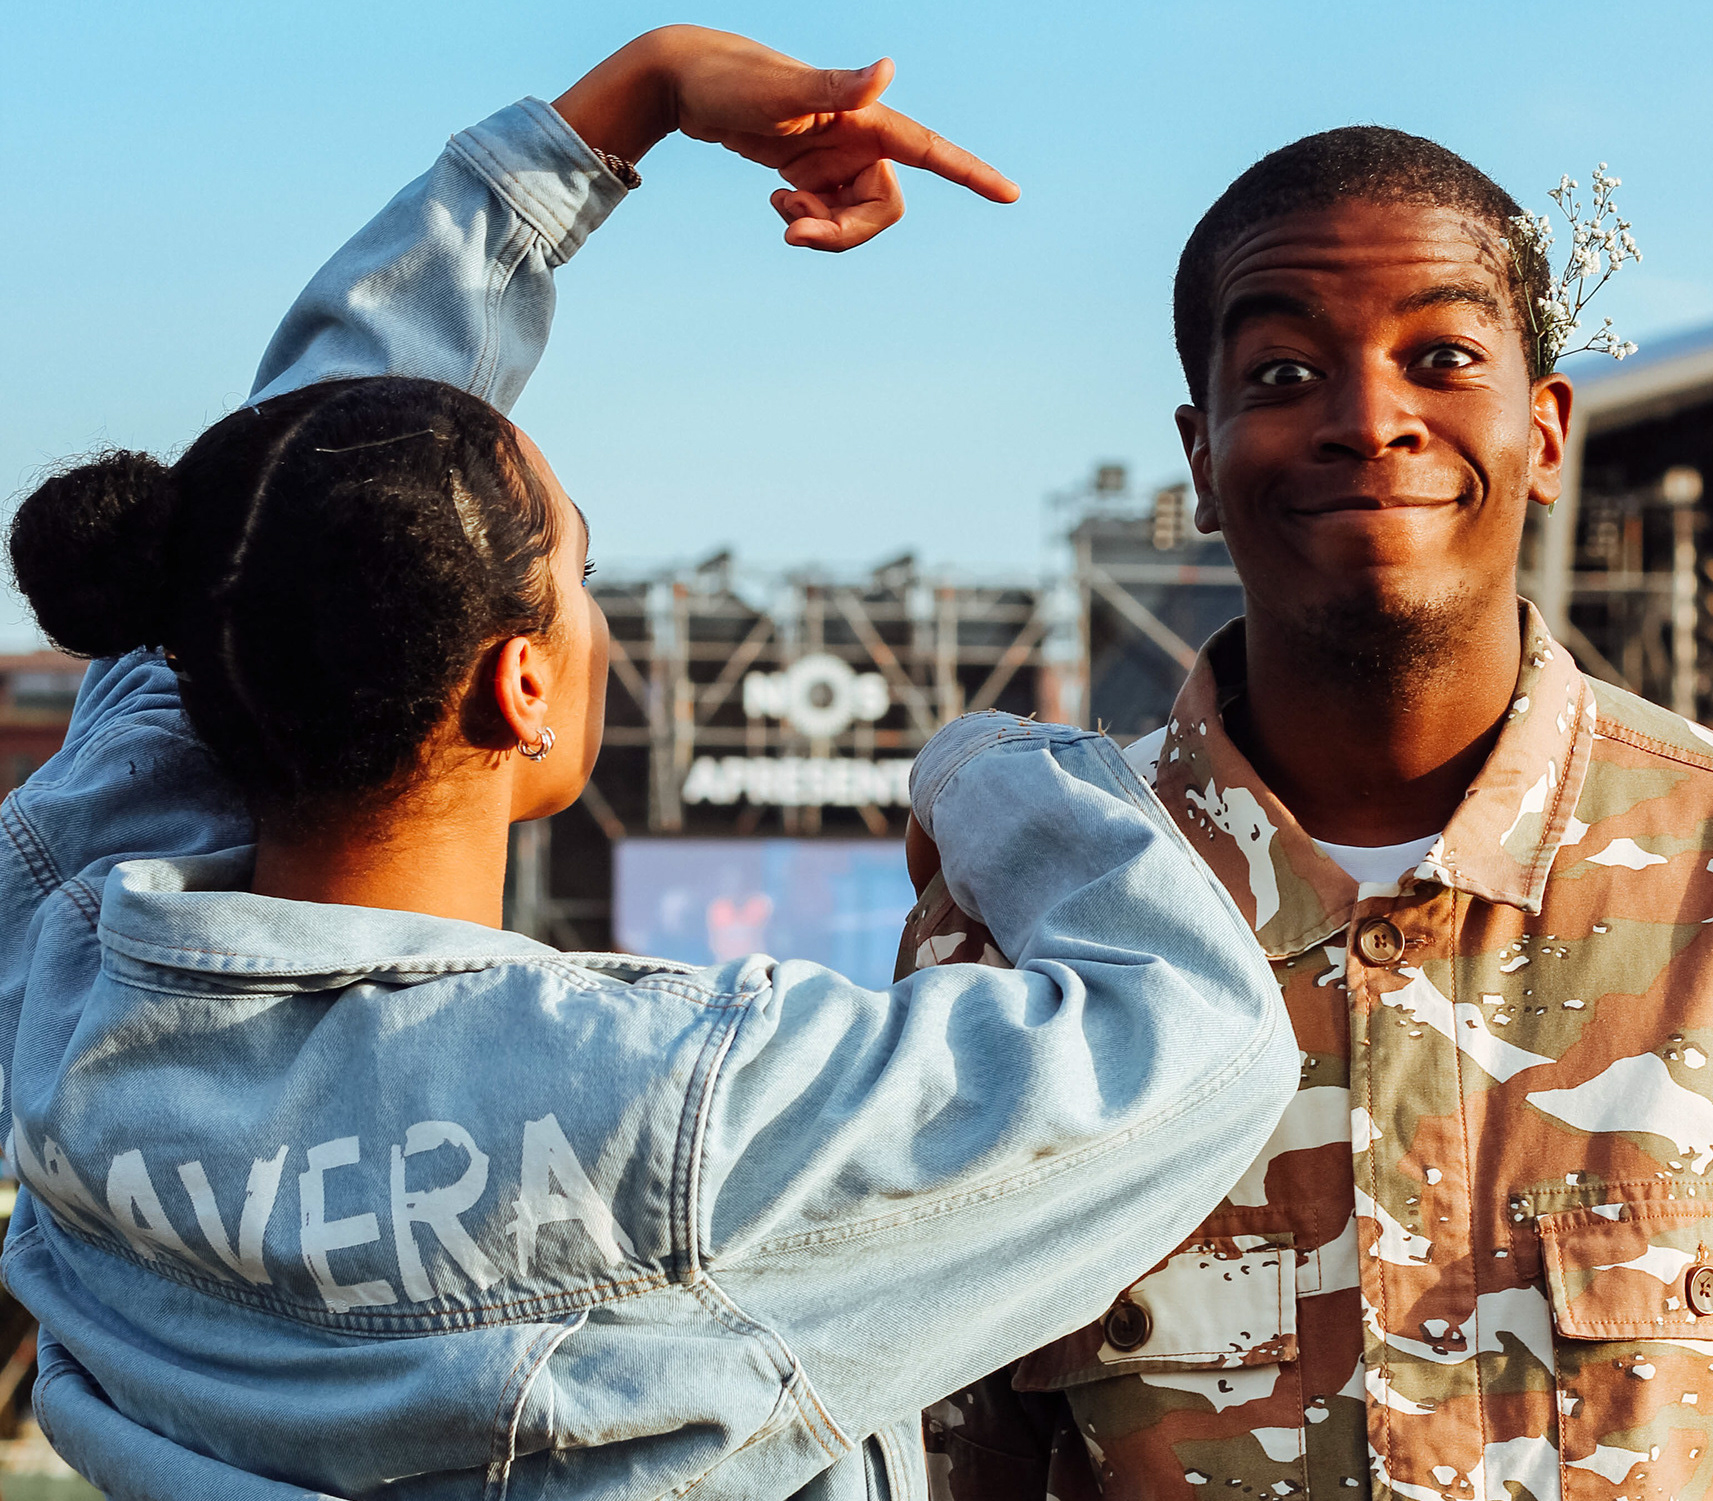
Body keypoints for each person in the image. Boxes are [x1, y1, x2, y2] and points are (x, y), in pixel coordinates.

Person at [0, 28, 1302, 1499]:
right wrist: (991, 768)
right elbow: (1201, 1046)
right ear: (522, 683)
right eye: (581, 571)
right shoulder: (670, 1105)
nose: (600, 613)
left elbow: (290, 493)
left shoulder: (66, 968)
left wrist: (632, 102)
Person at [902, 132, 1713, 1497]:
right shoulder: (1027, 904)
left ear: (1544, 431)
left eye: (1440, 357)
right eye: (1282, 373)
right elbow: (949, 1457)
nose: (1368, 418)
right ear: (1200, 458)